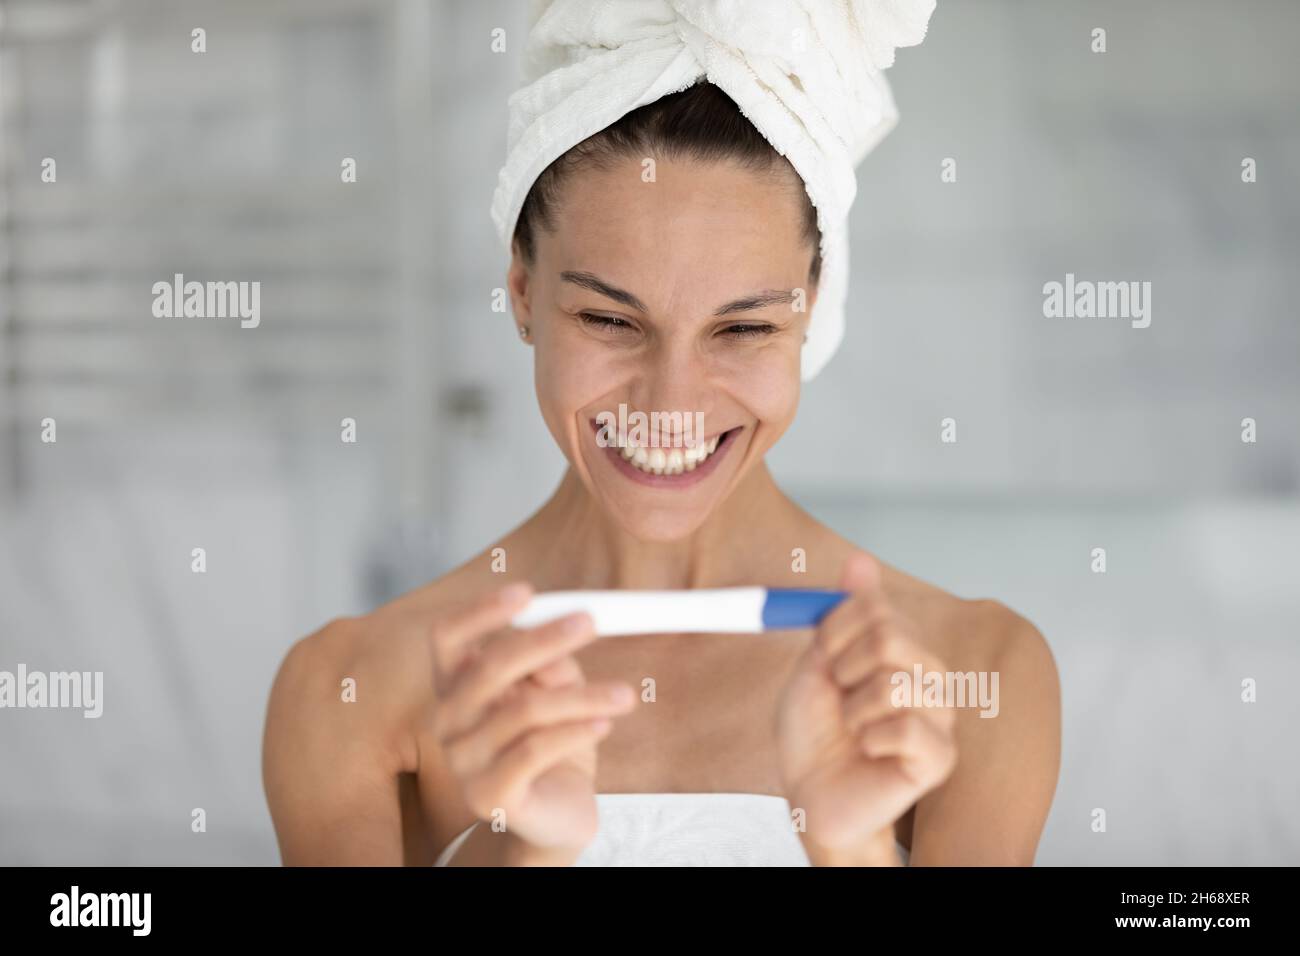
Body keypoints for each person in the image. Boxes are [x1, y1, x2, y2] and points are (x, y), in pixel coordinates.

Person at [263, 7, 1060, 867]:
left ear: (812, 309)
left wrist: (852, 850)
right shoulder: (348, 688)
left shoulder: (969, 675)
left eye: (743, 329)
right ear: (524, 292)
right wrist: (520, 853)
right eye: (610, 317)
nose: (670, 401)